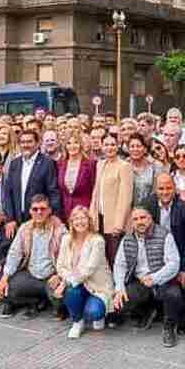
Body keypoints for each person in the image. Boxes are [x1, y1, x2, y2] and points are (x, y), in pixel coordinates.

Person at [111, 205, 183, 347]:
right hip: (141, 282)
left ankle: (169, 327)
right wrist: (119, 288)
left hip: (162, 280)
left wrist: (155, 278)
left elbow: (174, 263)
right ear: (132, 223)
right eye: (135, 219)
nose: (140, 222)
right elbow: (119, 265)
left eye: (143, 217)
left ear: (150, 218)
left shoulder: (164, 235)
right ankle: (147, 311)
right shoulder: (127, 239)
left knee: (173, 295)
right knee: (122, 300)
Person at [144, 173, 185, 334]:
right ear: (156, 189)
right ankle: (161, 313)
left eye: (169, 188)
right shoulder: (149, 203)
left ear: (175, 188)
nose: (165, 192)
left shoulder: (184, 204)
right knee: (165, 287)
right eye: (161, 188)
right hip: (160, 253)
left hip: (183, 251)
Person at [0, 194, 66, 319]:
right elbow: (14, 254)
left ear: (49, 210)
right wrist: (4, 278)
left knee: (60, 300)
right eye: (35, 209)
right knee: (8, 289)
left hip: (52, 276)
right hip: (31, 275)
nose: (39, 212)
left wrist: (59, 275)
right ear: (30, 211)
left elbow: (67, 257)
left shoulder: (60, 230)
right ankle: (35, 301)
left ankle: (49, 301)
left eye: (43, 209)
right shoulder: (24, 228)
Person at [57, 205, 115, 338]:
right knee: (71, 290)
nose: (80, 222)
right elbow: (60, 266)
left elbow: (89, 269)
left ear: (89, 221)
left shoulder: (97, 241)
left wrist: (68, 280)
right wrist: (67, 280)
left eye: (83, 218)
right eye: (76, 219)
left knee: (93, 312)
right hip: (78, 285)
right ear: (71, 222)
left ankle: (97, 312)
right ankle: (77, 322)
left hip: (97, 286)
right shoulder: (66, 239)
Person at [2, 128, 62, 230]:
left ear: (38, 143)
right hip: (17, 220)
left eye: (29, 141)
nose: (26, 145)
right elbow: (8, 192)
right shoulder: (14, 163)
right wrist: (10, 219)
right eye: (23, 142)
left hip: (40, 218)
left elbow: (53, 191)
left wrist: (53, 215)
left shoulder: (47, 163)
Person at [91, 135, 134, 266]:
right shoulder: (100, 164)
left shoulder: (124, 166)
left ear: (118, 146)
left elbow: (125, 197)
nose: (109, 148)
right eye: (106, 145)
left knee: (115, 257)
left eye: (113, 145)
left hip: (115, 221)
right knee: (102, 256)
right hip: (100, 217)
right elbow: (96, 192)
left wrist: (119, 224)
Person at [57, 131, 96, 223]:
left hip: (85, 212)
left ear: (81, 145)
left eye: (76, 143)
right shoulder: (60, 164)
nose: (72, 146)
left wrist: (91, 211)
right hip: (65, 213)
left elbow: (94, 189)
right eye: (69, 143)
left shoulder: (90, 164)